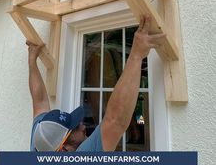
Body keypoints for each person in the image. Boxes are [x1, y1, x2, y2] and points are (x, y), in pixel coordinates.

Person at [27, 14, 166, 152]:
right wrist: (136, 55)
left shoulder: (40, 141)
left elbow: (39, 102)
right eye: (74, 128)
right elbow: (115, 121)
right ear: (64, 149)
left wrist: (32, 60)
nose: (82, 126)